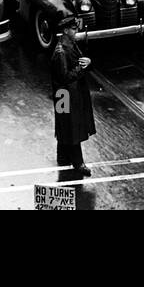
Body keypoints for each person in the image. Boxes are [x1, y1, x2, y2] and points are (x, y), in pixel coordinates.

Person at [51, 16, 94, 179]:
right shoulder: (62, 51)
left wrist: (87, 62)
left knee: (65, 125)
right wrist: (82, 68)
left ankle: (63, 156)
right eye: (74, 29)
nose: (76, 31)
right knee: (72, 126)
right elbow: (65, 76)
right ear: (65, 30)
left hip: (64, 94)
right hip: (66, 94)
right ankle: (78, 162)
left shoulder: (70, 44)